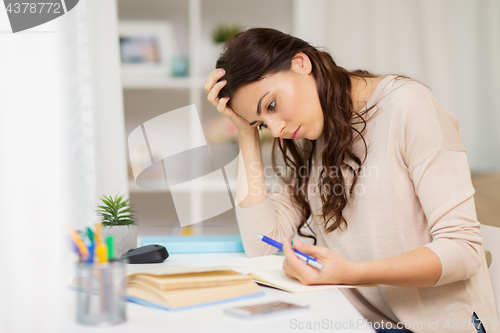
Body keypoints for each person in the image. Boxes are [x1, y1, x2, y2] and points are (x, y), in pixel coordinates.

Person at [204, 27, 498, 333]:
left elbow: (463, 251)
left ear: (301, 63)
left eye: (272, 105)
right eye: (263, 123)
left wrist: (350, 273)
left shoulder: (408, 106)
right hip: (362, 324)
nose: (276, 129)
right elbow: (260, 243)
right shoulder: (313, 133)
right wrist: (246, 132)